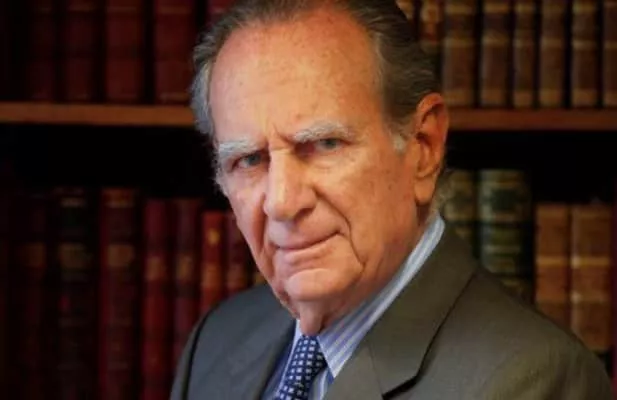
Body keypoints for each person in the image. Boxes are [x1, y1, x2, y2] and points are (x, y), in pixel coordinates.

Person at [171, 1, 613, 399]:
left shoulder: (534, 380)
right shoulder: (216, 340)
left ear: (423, 147)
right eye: (249, 160)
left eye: (325, 144)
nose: (283, 203)